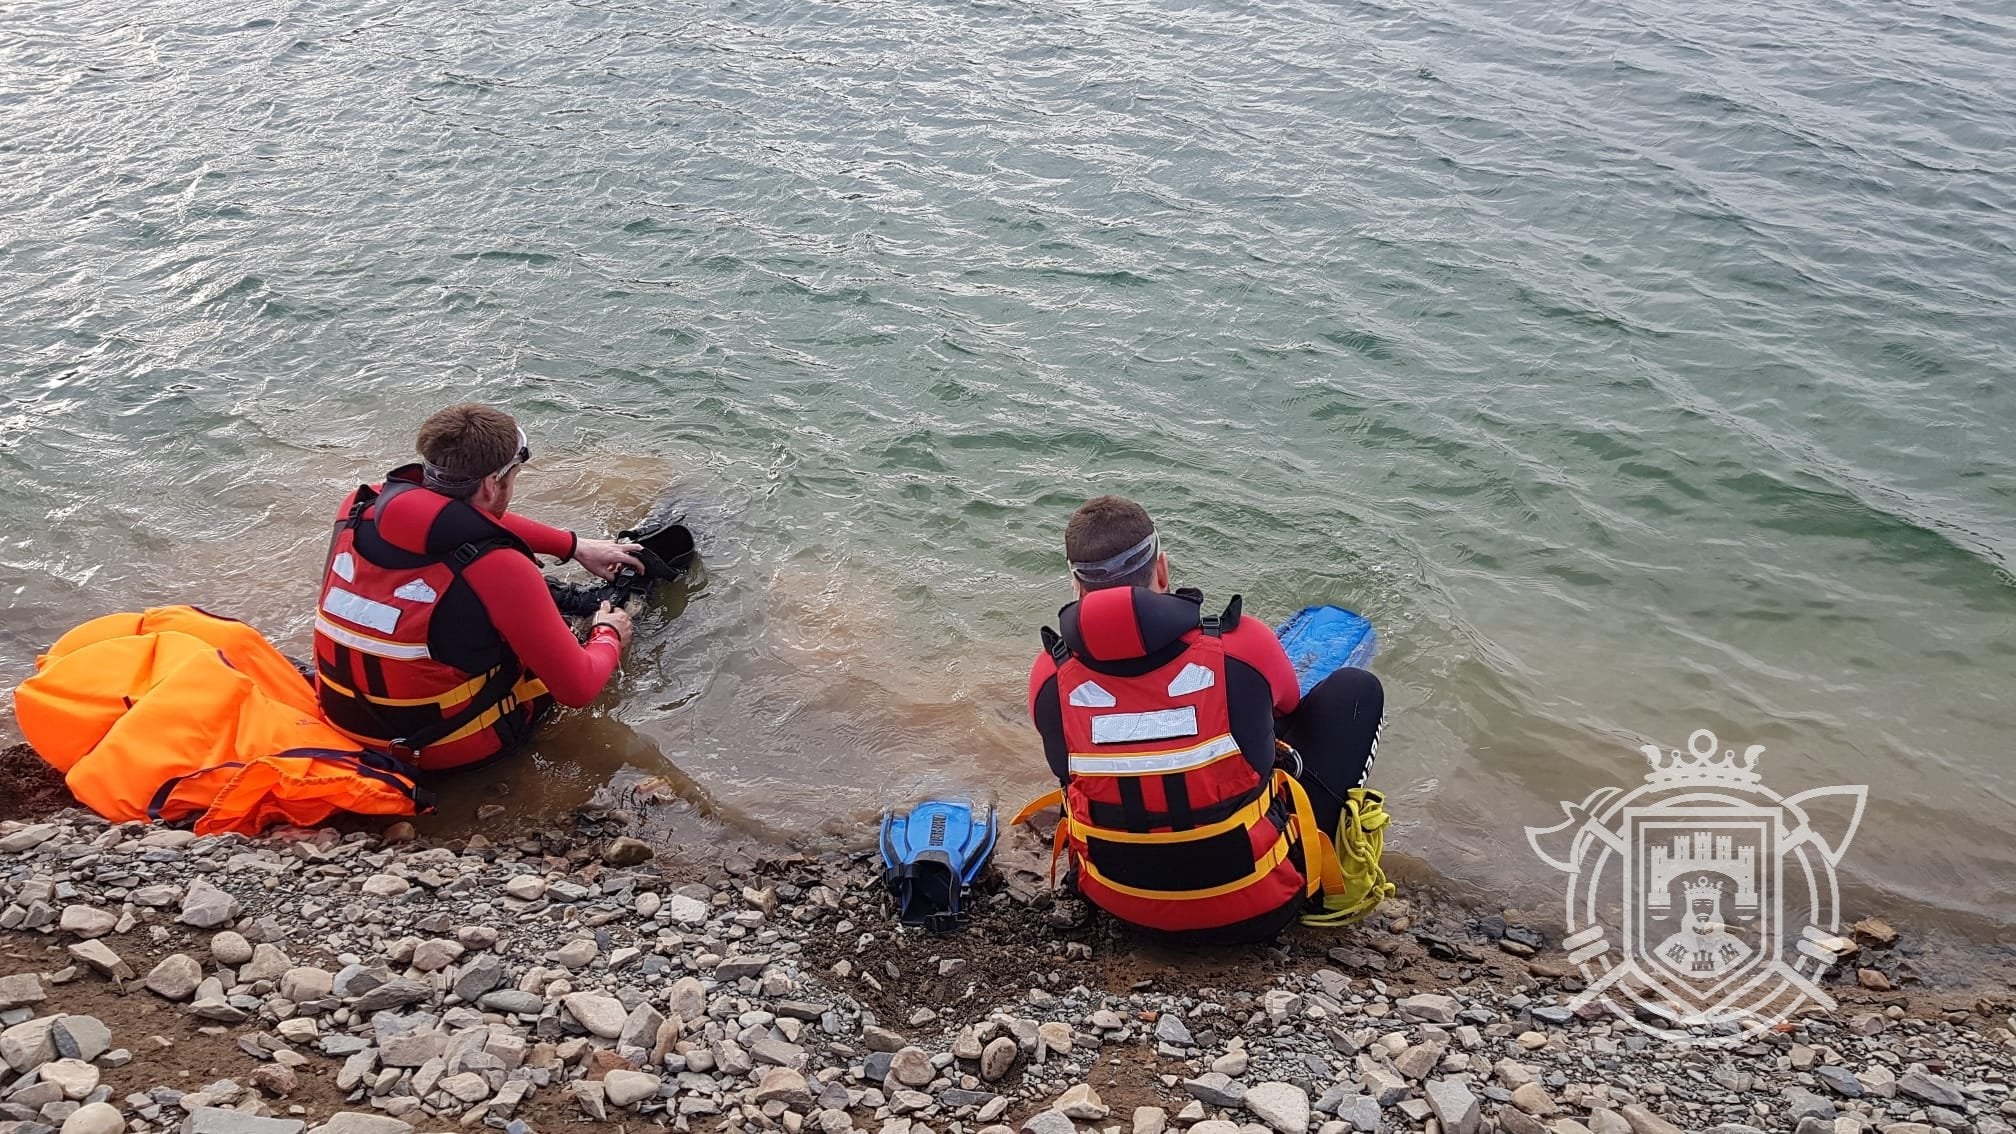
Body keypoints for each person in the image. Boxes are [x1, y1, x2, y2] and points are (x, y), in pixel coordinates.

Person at [1026, 494, 1385, 943]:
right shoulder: (1243, 643)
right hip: (1261, 907)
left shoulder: (1049, 674)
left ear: (1076, 587)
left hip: (1120, 903)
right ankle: (1314, 862)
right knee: (1356, 691)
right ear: (1162, 569)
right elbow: (1291, 707)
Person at [311, 404, 644, 771]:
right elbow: (578, 690)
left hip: (344, 721)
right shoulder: (501, 568)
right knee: (573, 628)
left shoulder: (358, 507)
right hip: (444, 748)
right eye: (513, 478)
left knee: (473, 588)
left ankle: (560, 597)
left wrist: (574, 545)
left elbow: (447, 521)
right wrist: (607, 634)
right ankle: (592, 610)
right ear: (490, 485)